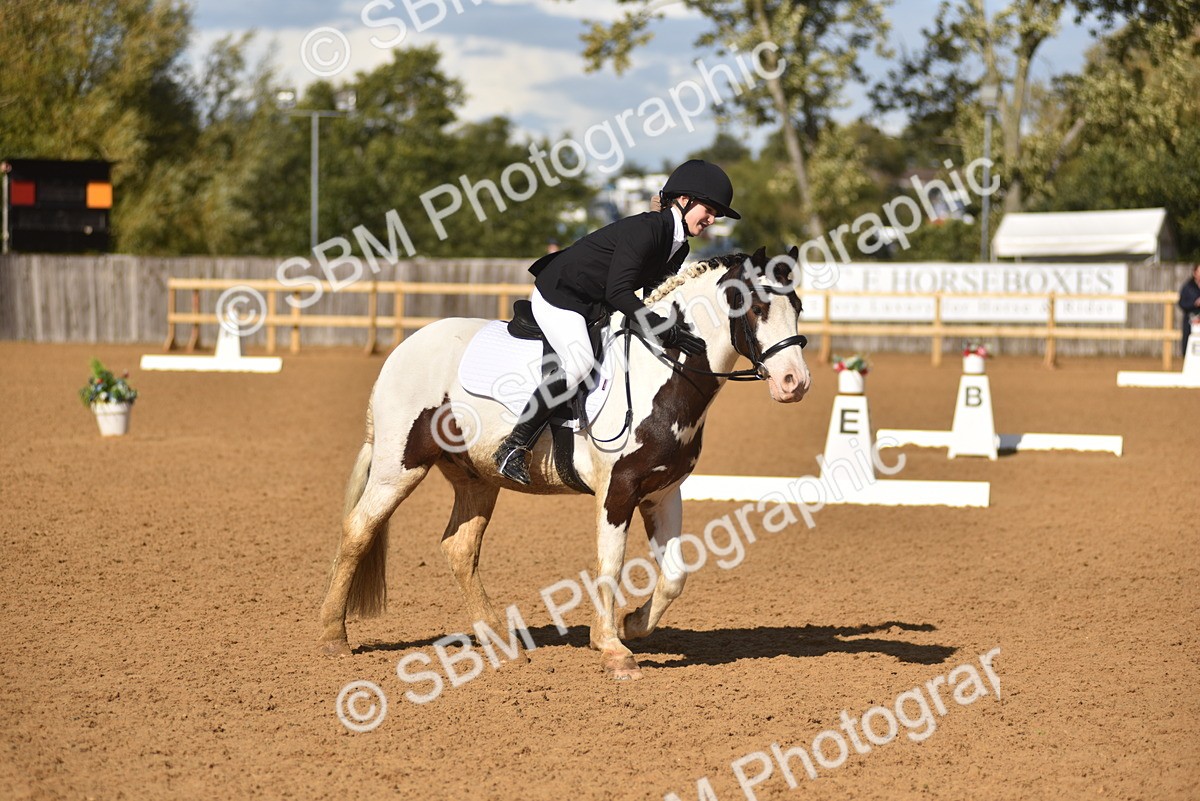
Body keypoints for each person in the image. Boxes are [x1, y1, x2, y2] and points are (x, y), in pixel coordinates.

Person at [492, 159, 741, 485]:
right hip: (561, 296)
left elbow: (653, 297)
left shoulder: (679, 246)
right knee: (580, 361)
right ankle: (513, 446)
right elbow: (619, 291)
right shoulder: (647, 230)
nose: (712, 219)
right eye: (709, 210)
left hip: (595, 303)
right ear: (684, 200)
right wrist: (657, 325)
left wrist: (672, 326)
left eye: (716, 214)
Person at [1179, 264, 1200, 356]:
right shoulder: (1188, 287)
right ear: (1195, 273)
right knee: (1188, 344)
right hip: (1190, 319)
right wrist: (1194, 303)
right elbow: (1181, 303)